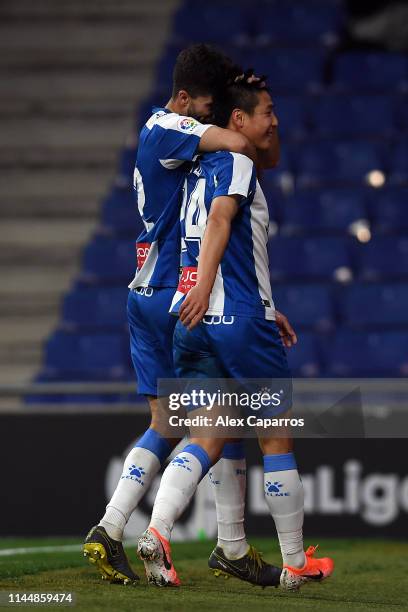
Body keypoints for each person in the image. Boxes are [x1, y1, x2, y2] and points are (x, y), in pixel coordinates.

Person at [83, 45, 282, 588]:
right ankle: (182, 535)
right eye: (209, 107)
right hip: (179, 292)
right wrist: (239, 117)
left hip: (146, 289)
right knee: (216, 421)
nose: (212, 120)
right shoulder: (167, 125)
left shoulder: (168, 135)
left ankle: (111, 526)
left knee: (172, 422)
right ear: (183, 98)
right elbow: (241, 142)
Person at [137, 75, 334, 591]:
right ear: (238, 120)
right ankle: (295, 561)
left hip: (192, 320)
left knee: (208, 432)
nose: (275, 121)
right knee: (276, 438)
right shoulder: (237, 161)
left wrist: (253, 302)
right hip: (234, 318)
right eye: (267, 111)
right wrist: (213, 291)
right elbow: (222, 221)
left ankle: (156, 534)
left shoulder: (197, 166)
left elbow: (231, 237)